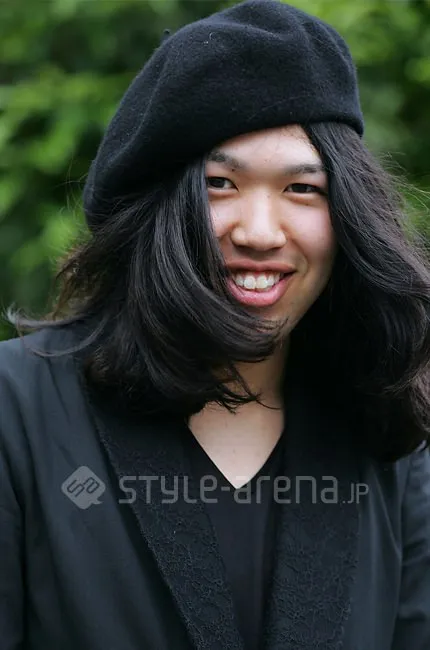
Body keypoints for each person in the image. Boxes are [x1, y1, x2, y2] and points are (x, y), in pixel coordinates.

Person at [1, 0, 430, 648]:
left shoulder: (391, 436)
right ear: (153, 206)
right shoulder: (16, 410)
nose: (259, 232)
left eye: (302, 189)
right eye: (220, 183)